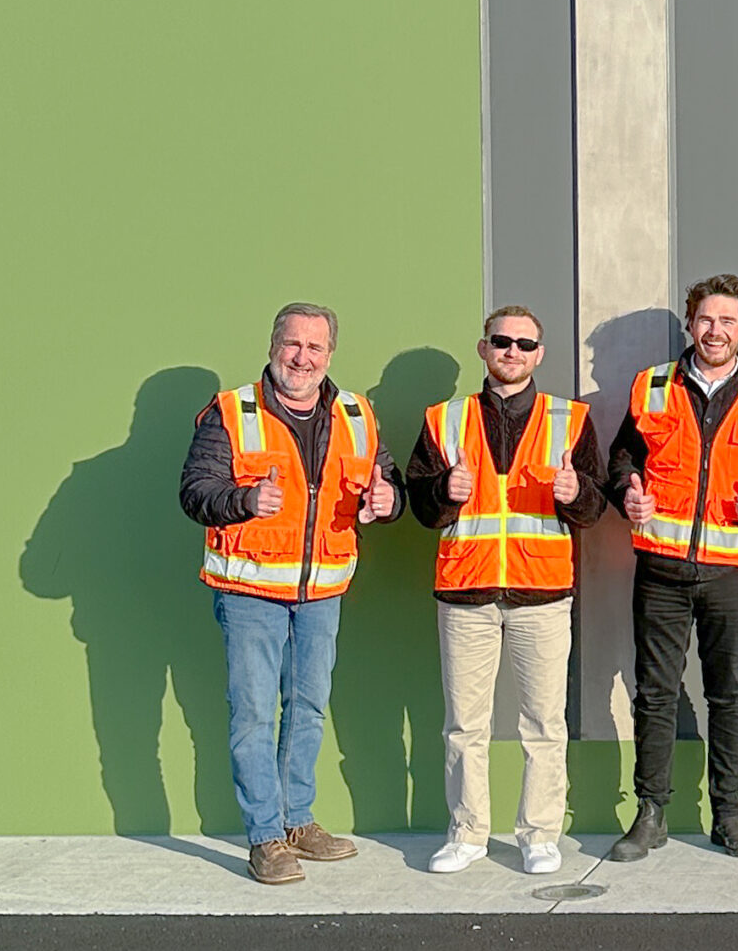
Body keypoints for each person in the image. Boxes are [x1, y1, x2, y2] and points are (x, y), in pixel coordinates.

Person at [178, 302, 401, 886]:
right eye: (293, 343)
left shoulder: (357, 413)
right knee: (253, 715)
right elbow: (196, 491)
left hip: (323, 591)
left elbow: (386, 480)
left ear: (330, 354)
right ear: (274, 344)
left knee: (307, 709)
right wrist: (245, 501)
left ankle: (298, 821)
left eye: (315, 347)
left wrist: (388, 503)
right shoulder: (232, 411)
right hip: (250, 588)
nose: (303, 357)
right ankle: (265, 837)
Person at [403, 305, 606, 875]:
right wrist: (446, 487)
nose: (512, 351)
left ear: (539, 354)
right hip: (465, 594)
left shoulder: (570, 418)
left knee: (544, 725)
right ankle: (467, 833)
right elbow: (421, 507)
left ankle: (539, 836)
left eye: (524, 343)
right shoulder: (444, 419)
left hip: (542, 594)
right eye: (502, 341)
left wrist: (574, 492)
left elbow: (596, 507)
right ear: (483, 348)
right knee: (465, 725)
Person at [605, 273, 738, 863]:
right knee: (655, 693)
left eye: (728, 321)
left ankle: (728, 814)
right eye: (705, 320)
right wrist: (626, 493)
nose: (715, 331)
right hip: (661, 567)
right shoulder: (652, 386)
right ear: (690, 324)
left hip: (732, 573)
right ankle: (651, 813)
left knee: (730, 694)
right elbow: (622, 460)